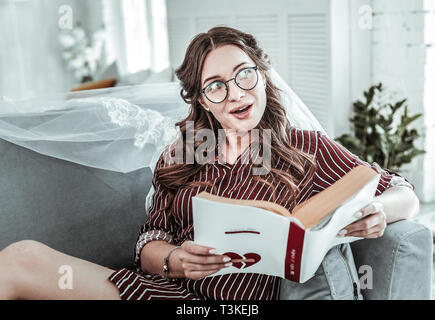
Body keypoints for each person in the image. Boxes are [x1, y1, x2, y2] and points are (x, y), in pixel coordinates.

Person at [0, 26, 419, 300]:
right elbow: (148, 243)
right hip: (167, 293)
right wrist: (173, 260)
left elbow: (403, 192)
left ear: (262, 75)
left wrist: (380, 210)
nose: (236, 94)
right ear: (202, 100)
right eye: (216, 86)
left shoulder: (303, 147)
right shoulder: (183, 153)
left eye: (243, 75)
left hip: (239, 303)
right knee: (21, 256)